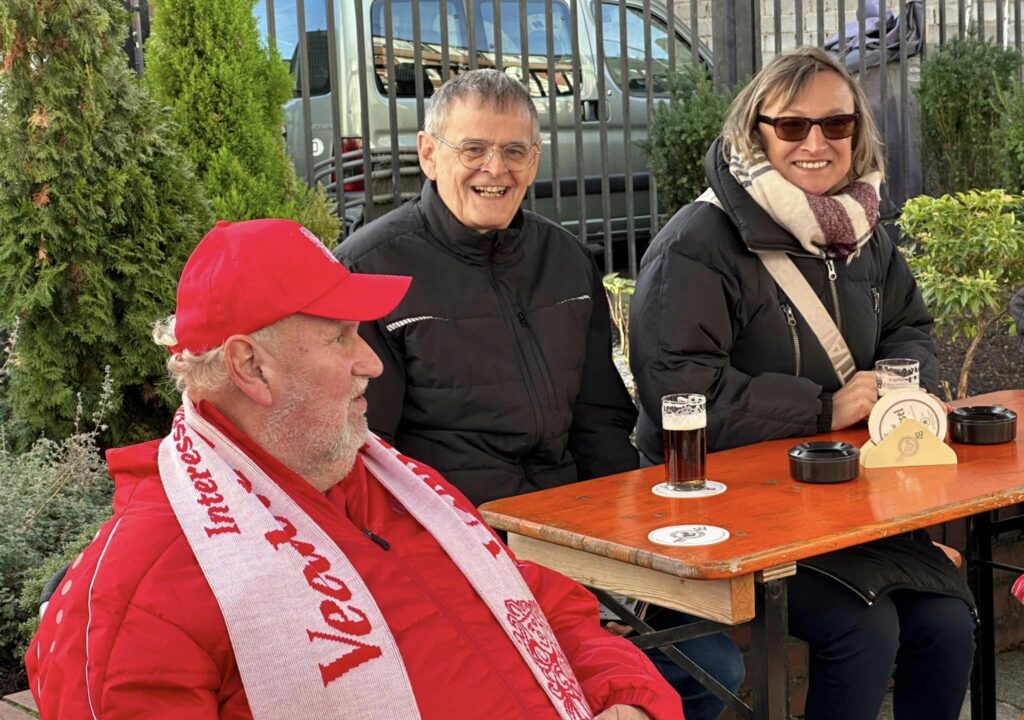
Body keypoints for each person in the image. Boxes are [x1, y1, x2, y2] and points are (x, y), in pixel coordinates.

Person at [25, 218, 682, 720]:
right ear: (251, 367)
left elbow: (548, 608)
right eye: (340, 336)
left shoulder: (395, 483)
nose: (370, 362)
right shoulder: (140, 587)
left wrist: (624, 698)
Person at [335, 69, 743, 720]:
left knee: (714, 665)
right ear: (428, 153)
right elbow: (366, 461)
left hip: (571, 539)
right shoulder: (370, 270)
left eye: (514, 151)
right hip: (451, 554)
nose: (494, 169)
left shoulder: (568, 259)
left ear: (536, 158)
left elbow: (599, 422)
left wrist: (626, 564)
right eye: (473, 148)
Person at [629, 46, 976, 720]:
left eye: (836, 124)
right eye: (791, 125)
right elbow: (680, 392)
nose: (816, 143)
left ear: (857, 131)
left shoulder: (863, 231)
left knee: (947, 620)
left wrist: (902, 385)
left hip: (843, 501)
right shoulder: (698, 242)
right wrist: (823, 408)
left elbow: (909, 326)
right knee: (864, 627)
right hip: (727, 510)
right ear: (754, 132)